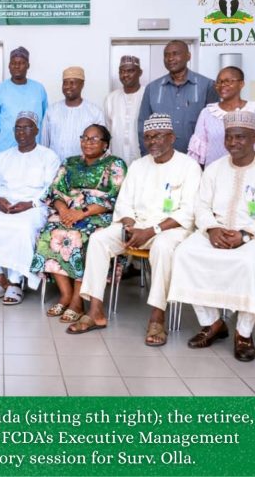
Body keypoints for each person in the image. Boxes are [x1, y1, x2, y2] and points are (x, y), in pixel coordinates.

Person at [169, 111, 255, 362]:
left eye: (241, 137)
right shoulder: (214, 169)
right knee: (184, 253)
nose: (233, 143)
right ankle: (212, 323)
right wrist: (212, 229)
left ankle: (243, 333)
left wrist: (246, 235)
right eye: (229, 137)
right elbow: (201, 206)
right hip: (218, 229)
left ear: (254, 137)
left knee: (248, 262)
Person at [74, 114, 201, 344]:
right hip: (136, 227)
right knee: (99, 239)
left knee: (163, 247)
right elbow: (124, 203)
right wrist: (129, 224)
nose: (152, 142)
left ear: (171, 137)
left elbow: (188, 211)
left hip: (169, 230)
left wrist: (151, 231)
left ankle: (157, 317)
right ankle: (95, 310)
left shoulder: (188, 166)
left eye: (158, 137)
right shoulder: (138, 166)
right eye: (148, 137)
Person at [0, 111, 59, 305]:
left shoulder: (48, 156)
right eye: (17, 128)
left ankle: (15, 282)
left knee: (21, 228)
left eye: (26, 127)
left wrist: (29, 204)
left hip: (34, 206)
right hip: (4, 204)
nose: (21, 132)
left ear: (36, 130)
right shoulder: (5, 155)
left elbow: (51, 188)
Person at [31, 124, 127, 318]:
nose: (87, 142)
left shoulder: (115, 164)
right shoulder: (70, 162)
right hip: (68, 212)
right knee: (50, 233)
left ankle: (77, 300)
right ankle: (65, 295)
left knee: (78, 237)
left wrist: (80, 213)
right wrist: (64, 210)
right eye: (84, 138)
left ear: (105, 144)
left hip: (98, 215)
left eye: (94, 139)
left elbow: (114, 198)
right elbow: (55, 191)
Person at [138, 40, 217, 154]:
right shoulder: (152, 88)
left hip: (195, 158)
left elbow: (212, 126)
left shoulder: (207, 85)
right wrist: (147, 155)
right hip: (160, 158)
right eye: (166, 55)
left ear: (188, 56)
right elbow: (143, 126)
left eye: (175, 54)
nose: (170, 58)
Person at [188, 66, 255, 166]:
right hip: (215, 174)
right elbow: (197, 154)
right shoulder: (207, 113)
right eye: (219, 82)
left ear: (241, 84)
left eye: (228, 81)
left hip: (249, 172)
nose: (222, 85)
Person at [0, 46, 48, 155]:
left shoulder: (39, 89)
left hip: (35, 153)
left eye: (21, 63)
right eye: (13, 63)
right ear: (9, 66)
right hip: (6, 150)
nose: (17, 66)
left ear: (28, 65)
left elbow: (46, 122)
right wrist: (2, 153)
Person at [41, 66, 105, 161]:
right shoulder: (52, 111)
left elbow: (102, 144)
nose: (68, 86)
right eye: (65, 83)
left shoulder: (94, 112)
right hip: (55, 168)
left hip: (84, 170)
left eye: (72, 83)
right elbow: (44, 144)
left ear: (82, 84)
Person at [104, 55, 145, 165]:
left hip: (143, 159)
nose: (125, 75)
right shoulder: (111, 98)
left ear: (140, 72)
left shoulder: (148, 95)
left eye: (130, 71)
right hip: (117, 160)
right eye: (121, 71)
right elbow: (108, 130)